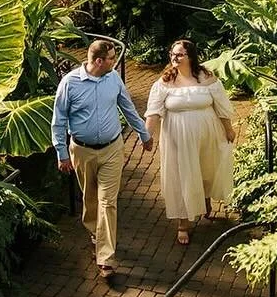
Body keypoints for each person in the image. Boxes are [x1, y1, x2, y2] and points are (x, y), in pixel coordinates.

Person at [51, 38, 152, 278]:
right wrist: (61, 153)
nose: (115, 62)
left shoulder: (113, 78)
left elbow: (128, 108)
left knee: (108, 201)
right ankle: (95, 232)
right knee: (90, 198)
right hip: (82, 150)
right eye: (111, 58)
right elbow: (59, 121)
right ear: (98, 61)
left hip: (112, 149)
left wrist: (144, 134)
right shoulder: (70, 84)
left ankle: (105, 257)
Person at [144, 38, 236, 246]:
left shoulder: (207, 77)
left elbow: (221, 105)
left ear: (190, 56)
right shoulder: (165, 81)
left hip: (208, 133)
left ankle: (204, 200)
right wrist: (147, 134)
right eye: (172, 54)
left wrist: (228, 128)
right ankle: (183, 224)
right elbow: (153, 111)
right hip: (178, 137)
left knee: (206, 169)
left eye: (179, 55)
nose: (174, 58)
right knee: (183, 175)